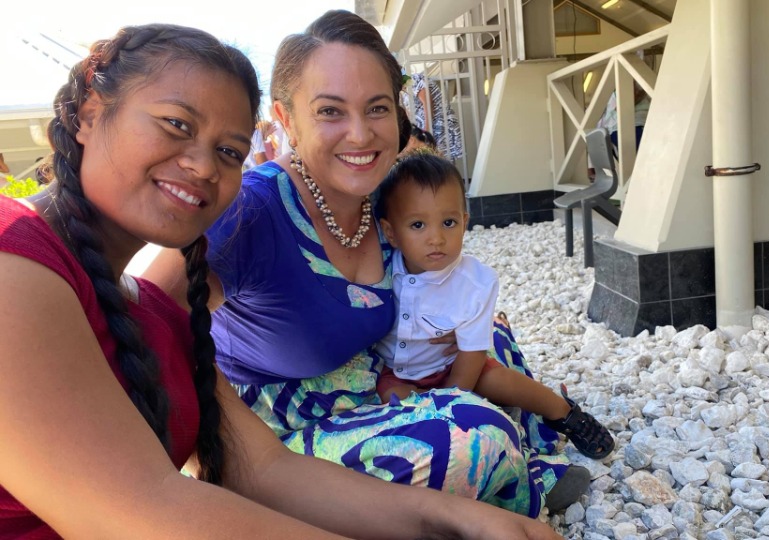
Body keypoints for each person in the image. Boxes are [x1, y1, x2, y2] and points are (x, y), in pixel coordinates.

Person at [0, 22, 561, 539]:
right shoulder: (18, 264)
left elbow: (263, 469)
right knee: (473, 434)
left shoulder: (156, 316)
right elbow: (146, 510)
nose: (201, 166)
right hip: (293, 410)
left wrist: (465, 519)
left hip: (349, 395)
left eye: (229, 151)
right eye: (176, 124)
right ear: (89, 112)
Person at [143, 10, 591, 518]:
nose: (360, 135)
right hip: (277, 424)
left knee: (490, 334)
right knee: (470, 434)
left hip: (371, 375)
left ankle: (523, 448)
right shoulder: (251, 211)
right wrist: (197, 463)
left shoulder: (382, 198)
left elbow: (439, 267)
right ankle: (506, 467)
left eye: (376, 108)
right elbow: (145, 321)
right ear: (286, 118)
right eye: (331, 111)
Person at [374, 151, 615, 460]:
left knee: (496, 379)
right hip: (397, 374)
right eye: (418, 225)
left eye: (448, 222)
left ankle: (562, 411)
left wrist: (452, 400)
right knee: (388, 396)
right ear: (391, 232)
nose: (436, 238)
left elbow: (472, 354)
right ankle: (460, 412)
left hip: (452, 365)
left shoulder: (476, 283)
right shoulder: (379, 269)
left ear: (465, 222)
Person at [409, 72, 464, 160]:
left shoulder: (412, 80)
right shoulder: (404, 89)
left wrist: (425, 133)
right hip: (429, 128)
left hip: (439, 125)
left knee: (441, 161)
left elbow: (428, 103)